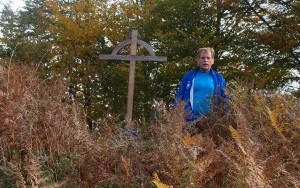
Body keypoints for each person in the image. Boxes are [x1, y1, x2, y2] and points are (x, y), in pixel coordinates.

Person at [174, 47, 228, 131]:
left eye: (208, 58)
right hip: (191, 121)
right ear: (198, 60)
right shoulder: (189, 77)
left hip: (212, 122)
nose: (205, 60)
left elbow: (225, 99)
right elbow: (180, 97)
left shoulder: (219, 78)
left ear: (212, 61)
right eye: (202, 58)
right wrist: (176, 115)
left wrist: (225, 117)